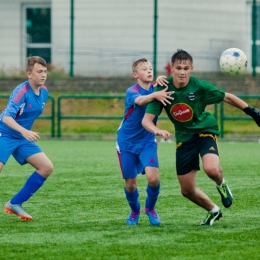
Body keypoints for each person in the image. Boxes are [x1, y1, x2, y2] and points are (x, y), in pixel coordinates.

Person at [142, 49, 260, 226]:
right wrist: (157, 130)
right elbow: (146, 121)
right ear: (171, 68)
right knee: (187, 190)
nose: (182, 71)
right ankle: (213, 211)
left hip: (205, 130)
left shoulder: (200, 86)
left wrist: (253, 113)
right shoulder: (162, 88)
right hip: (184, 138)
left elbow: (227, 97)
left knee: (211, 170)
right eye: (179, 67)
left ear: (192, 69)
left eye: (186, 68)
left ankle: (221, 184)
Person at [116, 58, 174, 225]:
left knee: (153, 178)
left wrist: (164, 78)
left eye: (150, 68)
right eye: (144, 69)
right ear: (135, 75)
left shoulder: (157, 89)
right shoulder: (132, 91)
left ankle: (150, 208)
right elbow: (141, 101)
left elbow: (171, 85)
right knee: (131, 185)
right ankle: (135, 211)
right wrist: (156, 93)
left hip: (148, 141)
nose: (149, 71)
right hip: (126, 143)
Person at [0, 56, 54, 221]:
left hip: (21, 137)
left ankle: (15, 203)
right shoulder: (21, 91)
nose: (43, 75)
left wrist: (24, 133)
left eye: (45, 71)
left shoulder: (44, 92)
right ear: (29, 74)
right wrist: (25, 132)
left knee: (46, 167)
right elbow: (6, 118)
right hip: (5, 134)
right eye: (39, 71)